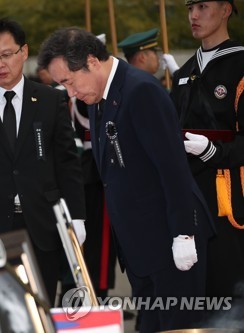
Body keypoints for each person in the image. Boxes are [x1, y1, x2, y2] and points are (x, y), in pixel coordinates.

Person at [38, 27, 215, 332]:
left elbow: (172, 168)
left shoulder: (140, 90)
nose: (69, 92)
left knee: (178, 326)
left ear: (92, 61)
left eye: (68, 81)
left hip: (170, 240)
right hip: (139, 246)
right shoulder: (98, 97)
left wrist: (184, 234)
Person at [0, 18, 86, 304]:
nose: (0, 64)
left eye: (6, 54)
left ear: (23, 52)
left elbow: (67, 164)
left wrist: (78, 216)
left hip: (41, 223)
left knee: (41, 304)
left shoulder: (50, 101)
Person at [170, 0, 244, 309]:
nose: (193, 16)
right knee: (200, 301)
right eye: (189, 8)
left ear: (226, 9)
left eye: (202, 6)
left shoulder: (240, 64)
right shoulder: (184, 73)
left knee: (232, 297)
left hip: (232, 199)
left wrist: (214, 150)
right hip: (191, 199)